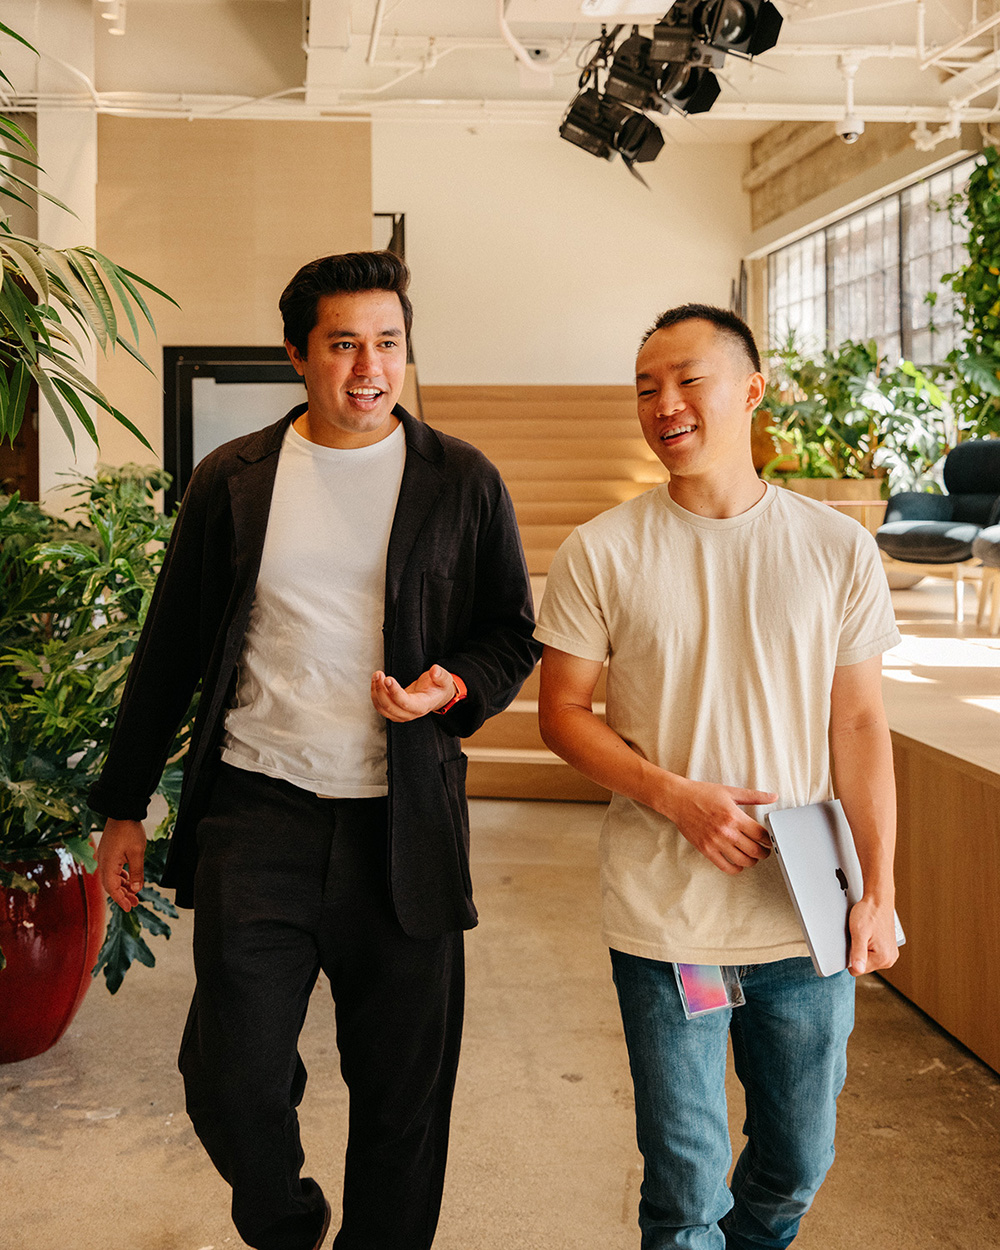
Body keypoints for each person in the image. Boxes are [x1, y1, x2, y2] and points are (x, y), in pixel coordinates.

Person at [91, 250, 540, 1250]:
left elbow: (510, 633)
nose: (370, 366)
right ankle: (287, 1222)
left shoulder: (460, 478)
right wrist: (125, 806)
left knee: (402, 1099)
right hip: (261, 815)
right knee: (231, 1077)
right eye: (344, 344)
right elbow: (170, 649)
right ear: (298, 354)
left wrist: (449, 686)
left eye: (388, 342)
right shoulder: (235, 478)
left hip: (406, 822)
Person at [534, 304, 900, 1249]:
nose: (666, 404)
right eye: (647, 388)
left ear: (751, 388)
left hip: (806, 914)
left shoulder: (834, 547)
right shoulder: (603, 550)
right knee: (685, 1188)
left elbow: (859, 723)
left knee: (797, 1160)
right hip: (667, 921)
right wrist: (676, 797)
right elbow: (562, 714)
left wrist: (879, 889)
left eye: (688, 379)